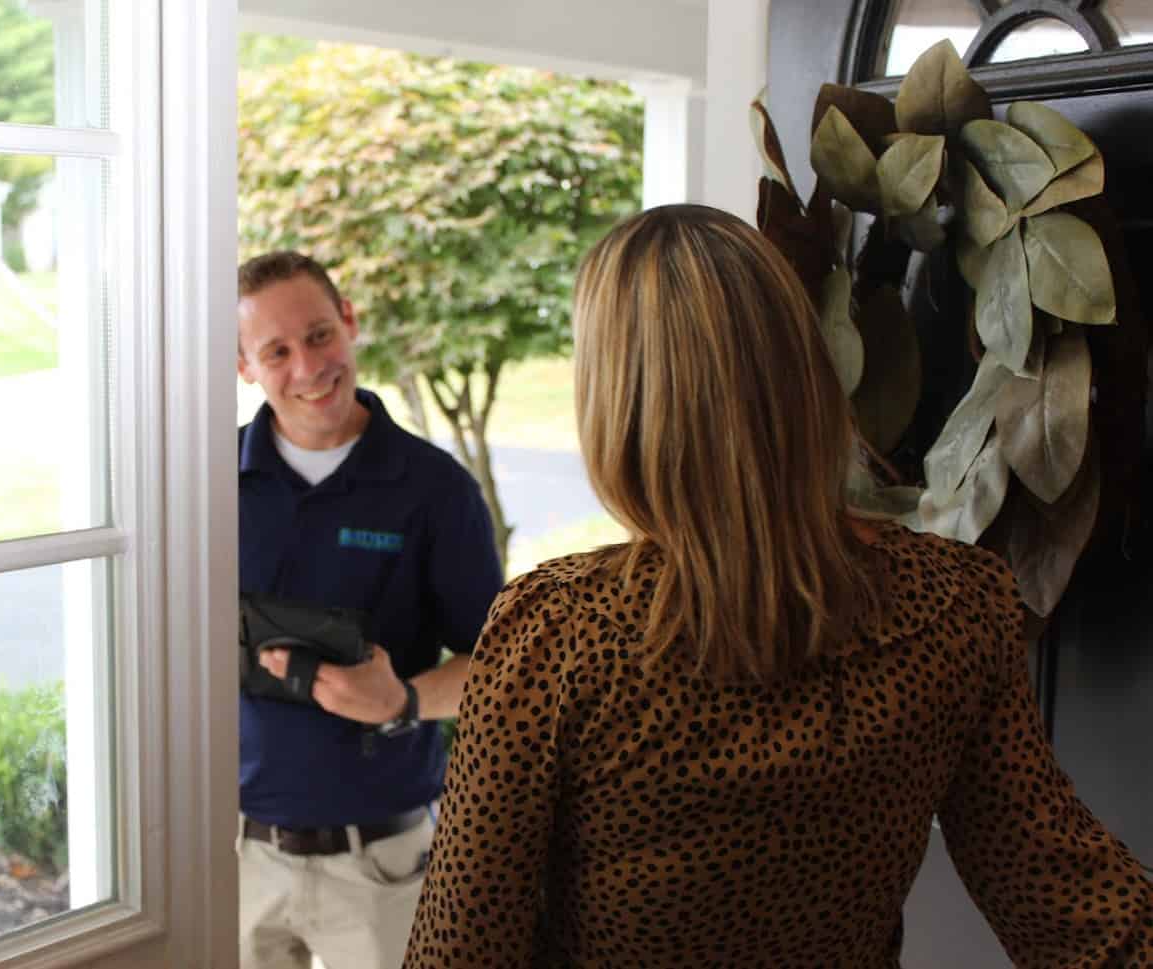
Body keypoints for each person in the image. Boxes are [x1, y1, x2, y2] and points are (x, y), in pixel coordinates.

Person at [402, 205, 1153, 967]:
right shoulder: (955, 604)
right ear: (803, 369)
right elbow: (1070, 900)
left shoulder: (555, 636)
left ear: (618, 403)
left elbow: (461, 946)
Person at [236, 250, 503, 969]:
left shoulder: (435, 489)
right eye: (276, 351)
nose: (308, 367)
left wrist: (404, 697)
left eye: (320, 334)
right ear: (243, 366)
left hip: (384, 864)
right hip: (234, 859)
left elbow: (502, 669)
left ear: (349, 322)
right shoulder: (206, 481)